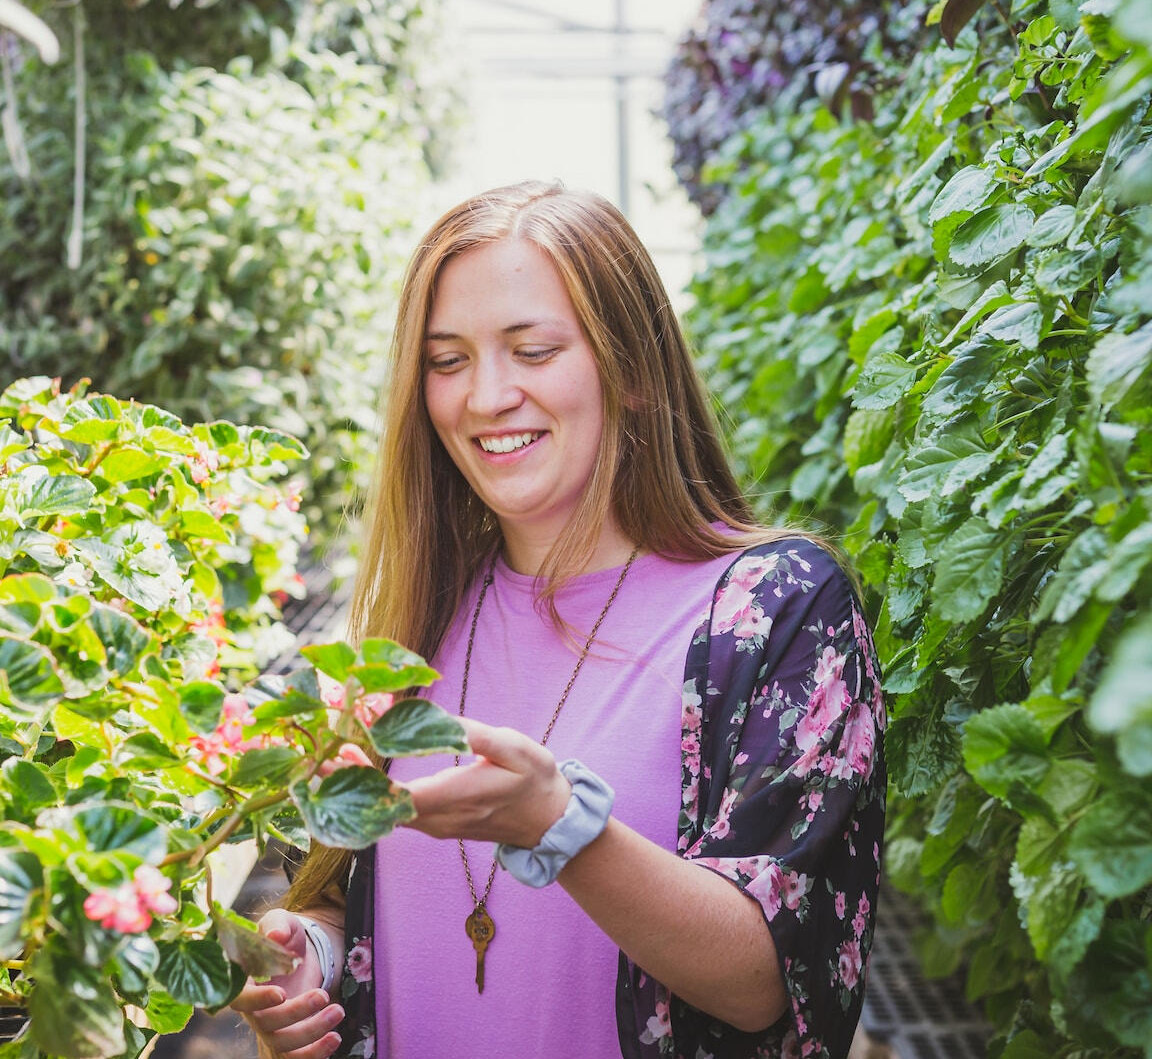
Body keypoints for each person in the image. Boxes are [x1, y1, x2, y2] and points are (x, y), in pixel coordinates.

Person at [233, 181, 886, 1059]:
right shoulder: (408, 615)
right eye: (448, 360)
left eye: (533, 350)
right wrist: (307, 957)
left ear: (638, 376)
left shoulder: (775, 610)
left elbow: (771, 981)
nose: (487, 396)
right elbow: (343, 890)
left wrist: (560, 827)